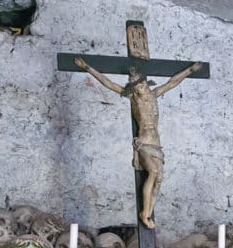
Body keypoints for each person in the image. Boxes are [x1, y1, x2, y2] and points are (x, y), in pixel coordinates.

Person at [75, 57, 203, 229]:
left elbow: (173, 82)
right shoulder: (133, 99)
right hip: (143, 143)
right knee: (152, 171)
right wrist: (87, 68)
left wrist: (190, 71)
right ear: (133, 90)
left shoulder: (154, 94)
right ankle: (144, 213)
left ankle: (148, 213)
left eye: (142, 85)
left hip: (156, 144)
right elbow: (108, 83)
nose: (140, 89)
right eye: (136, 87)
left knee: (159, 178)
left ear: (146, 84)